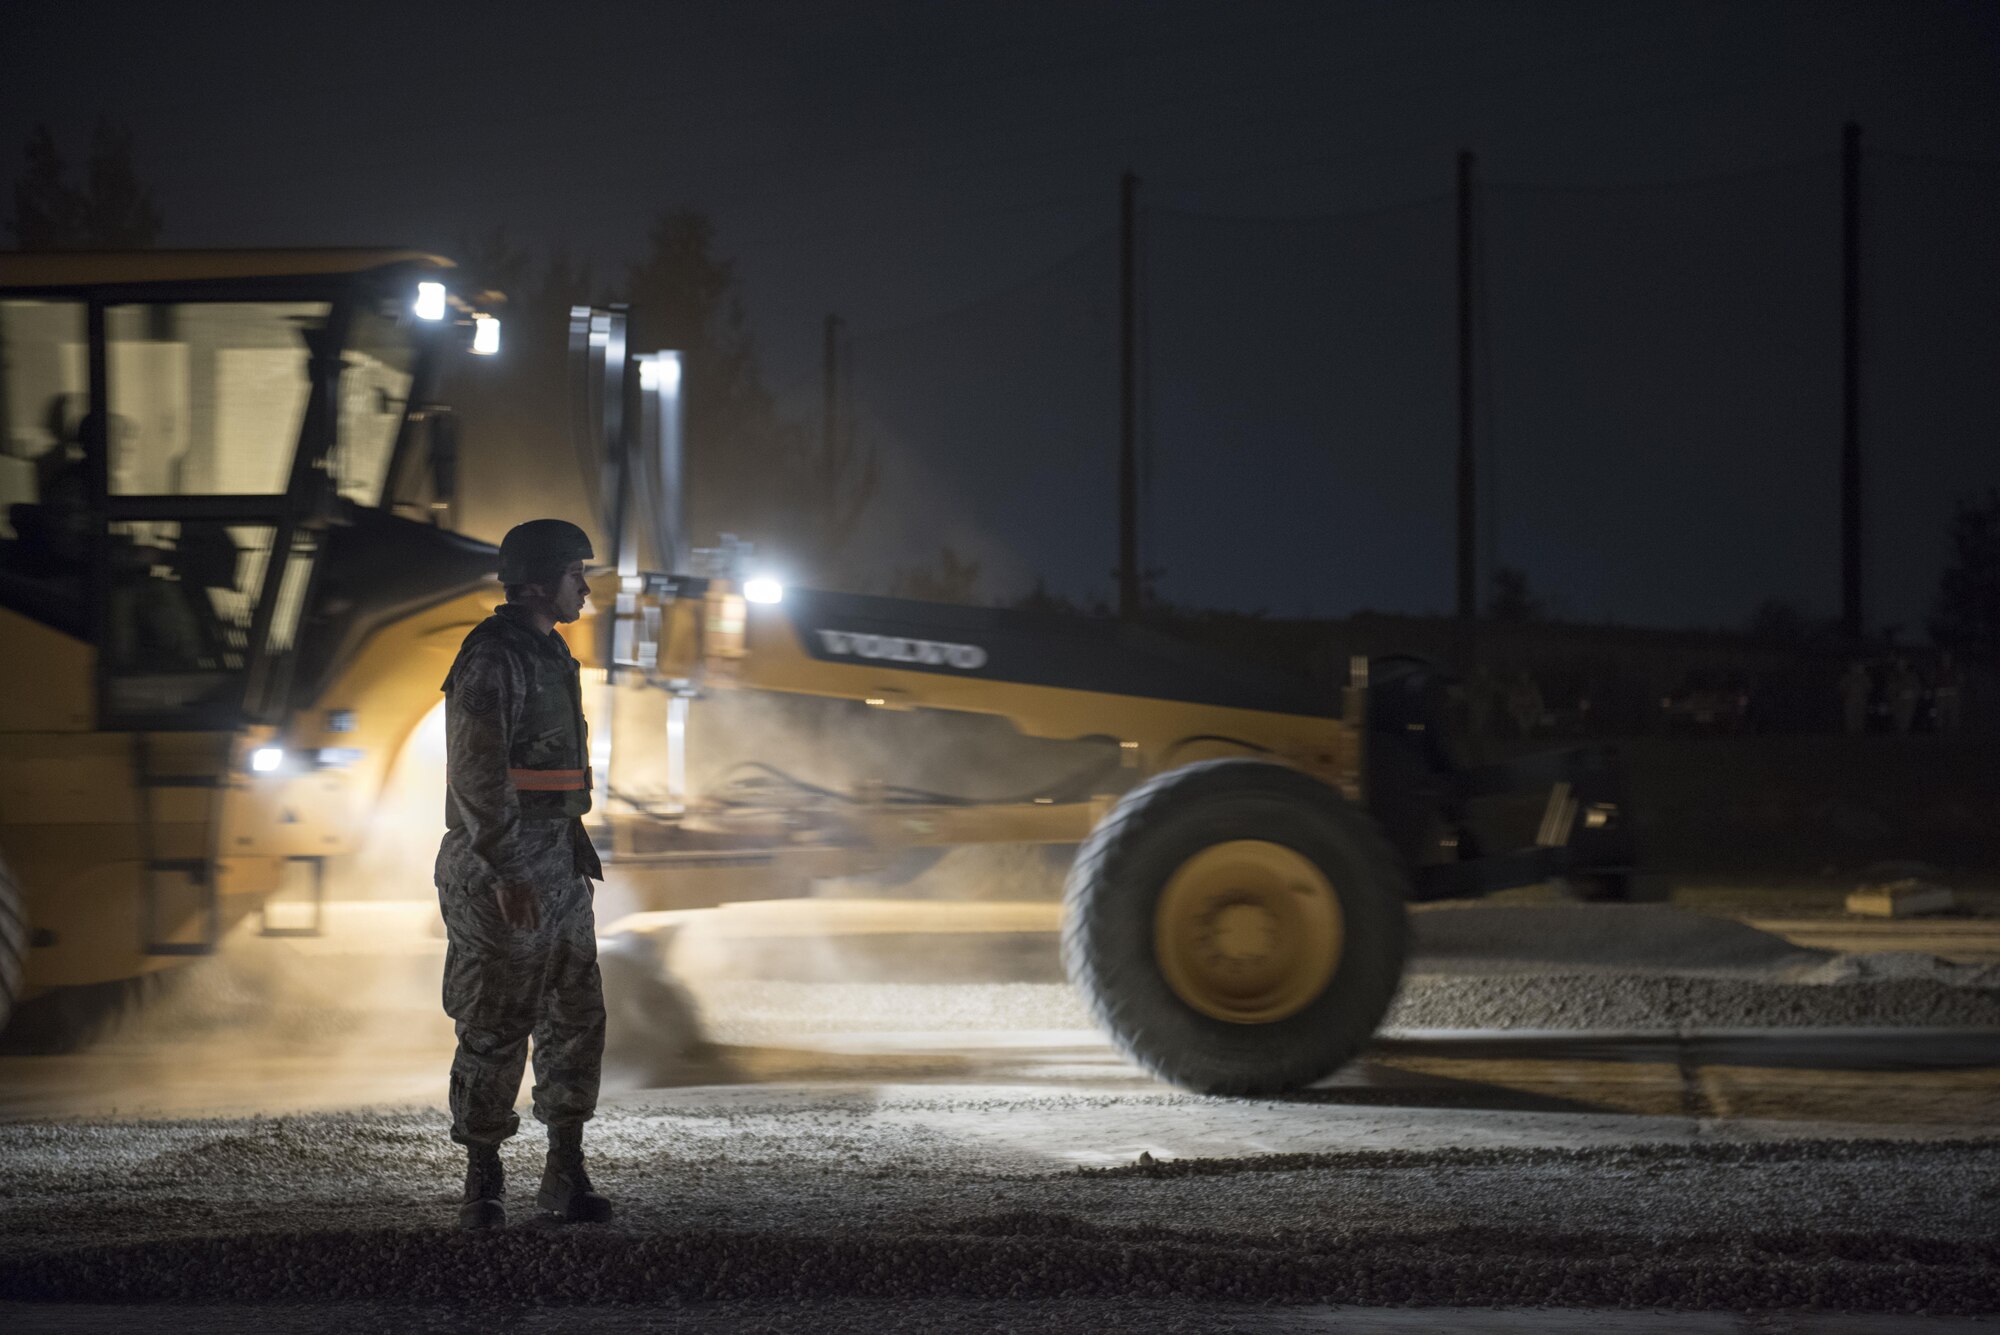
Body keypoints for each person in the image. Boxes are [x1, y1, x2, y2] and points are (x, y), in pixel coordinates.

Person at [435, 518, 610, 1231]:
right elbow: (478, 770)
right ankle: (484, 1178)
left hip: (556, 861)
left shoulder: (550, 651)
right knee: (496, 1019)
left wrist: (569, 845)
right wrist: (508, 865)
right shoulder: (493, 656)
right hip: (501, 866)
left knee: (575, 1016)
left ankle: (564, 1172)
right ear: (540, 582)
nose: (585, 588)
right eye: (576, 574)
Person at [1838, 661, 1870, 736]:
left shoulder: (1864, 677)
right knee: (1850, 716)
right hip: (1850, 700)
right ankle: (1850, 732)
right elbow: (1841, 688)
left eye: (1857, 667)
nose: (1855, 668)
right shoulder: (1847, 677)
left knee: (1861, 716)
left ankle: (1860, 731)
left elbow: (1869, 688)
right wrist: (1845, 696)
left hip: (1861, 700)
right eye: (1854, 667)